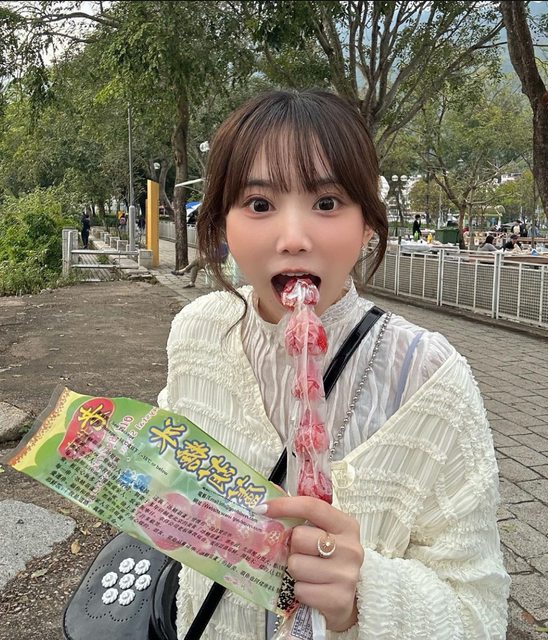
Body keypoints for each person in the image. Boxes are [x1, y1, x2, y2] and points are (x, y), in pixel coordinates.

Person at [158, 90, 509, 639]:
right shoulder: (198, 332)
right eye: (259, 204)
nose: (294, 239)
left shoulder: (430, 376)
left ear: (368, 223)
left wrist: (365, 596)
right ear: (222, 222)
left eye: (326, 203)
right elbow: (172, 472)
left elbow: (480, 615)